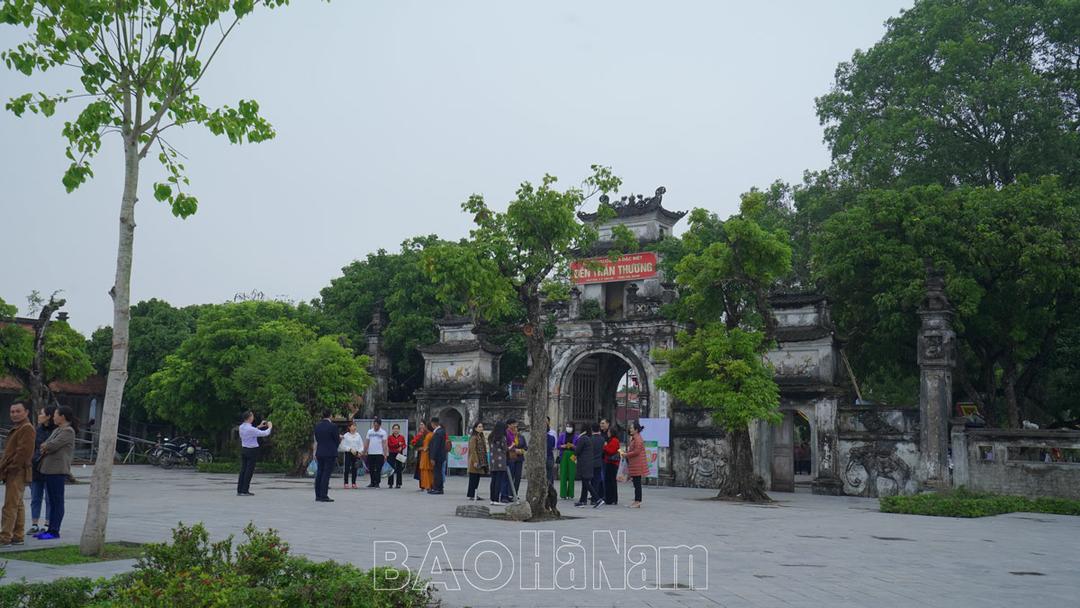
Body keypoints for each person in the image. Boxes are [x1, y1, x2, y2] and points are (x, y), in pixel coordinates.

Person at [35, 405, 77, 540]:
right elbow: (44, 444)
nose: (53, 417)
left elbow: (51, 446)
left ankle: (54, 530)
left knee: (57, 501)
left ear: (62, 417)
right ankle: (50, 529)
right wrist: (45, 446)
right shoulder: (58, 430)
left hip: (57, 470)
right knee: (52, 501)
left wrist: (46, 446)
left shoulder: (68, 431)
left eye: (55, 415)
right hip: (48, 469)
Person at [0, 401, 35, 546]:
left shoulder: (27, 428)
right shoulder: (19, 427)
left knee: (10, 505)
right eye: (12, 411)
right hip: (14, 470)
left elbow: (23, 452)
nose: (14, 414)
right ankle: (18, 535)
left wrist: (11, 467)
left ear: (26, 412)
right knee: (17, 504)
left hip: (17, 471)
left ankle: (5, 537)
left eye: (18, 411)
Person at [28, 405, 55, 535]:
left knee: (50, 498)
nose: (39, 416)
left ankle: (47, 524)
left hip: (50, 468)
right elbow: (32, 447)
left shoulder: (56, 431)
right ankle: (34, 524)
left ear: (49, 416)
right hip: (36, 468)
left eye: (42, 413)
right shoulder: (36, 430)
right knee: (35, 497)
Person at [237, 411, 272, 496]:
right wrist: (270, 427)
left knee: (243, 470)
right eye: (252, 416)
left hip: (244, 449)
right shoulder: (251, 429)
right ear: (249, 418)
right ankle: (245, 490)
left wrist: (259, 426)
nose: (253, 417)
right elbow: (265, 433)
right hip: (251, 450)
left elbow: (252, 432)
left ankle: (240, 490)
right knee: (249, 471)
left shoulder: (241, 427)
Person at [313, 411, 340, 503]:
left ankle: (318, 495)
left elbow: (317, 438)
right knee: (326, 474)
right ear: (330, 416)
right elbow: (337, 440)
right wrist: (334, 447)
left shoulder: (317, 426)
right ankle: (324, 495)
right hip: (329, 453)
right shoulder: (333, 426)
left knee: (319, 473)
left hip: (320, 452)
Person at [622, 420, 647, 508]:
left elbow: (636, 451)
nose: (630, 429)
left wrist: (626, 454)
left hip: (637, 464)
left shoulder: (638, 439)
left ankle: (637, 501)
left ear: (636, 430)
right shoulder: (635, 438)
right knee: (636, 483)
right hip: (635, 463)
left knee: (637, 484)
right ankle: (636, 501)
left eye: (632, 428)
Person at [573, 424, 595, 507]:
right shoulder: (589, 438)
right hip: (589, 462)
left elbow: (577, 451)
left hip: (583, 463)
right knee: (585, 482)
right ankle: (583, 500)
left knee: (586, 482)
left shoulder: (582, 438)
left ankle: (597, 498)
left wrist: (573, 447)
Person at [488, 421, 509, 506]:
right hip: (500, 461)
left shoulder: (491, 437)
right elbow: (505, 449)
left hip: (493, 461)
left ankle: (492, 498)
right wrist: (511, 446)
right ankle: (496, 499)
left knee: (493, 480)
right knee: (499, 481)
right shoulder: (502, 438)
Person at [466, 421, 488, 500]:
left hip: (480, 460)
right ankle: (471, 495)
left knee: (477, 478)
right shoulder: (474, 437)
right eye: (479, 427)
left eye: (482, 427)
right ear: (475, 428)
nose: (481, 428)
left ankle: (475, 494)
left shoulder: (480, 437)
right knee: (473, 478)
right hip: (474, 461)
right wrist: (475, 461)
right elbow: (473, 450)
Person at [505, 418, 527, 497]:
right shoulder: (507, 435)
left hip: (519, 458)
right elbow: (506, 446)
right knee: (510, 476)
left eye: (516, 427)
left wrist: (521, 450)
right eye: (514, 427)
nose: (515, 429)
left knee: (518, 477)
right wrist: (514, 450)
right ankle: (509, 493)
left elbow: (525, 447)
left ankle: (515, 493)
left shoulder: (521, 436)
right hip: (511, 458)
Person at [364, 417, 389, 488]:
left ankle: (377, 482)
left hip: (379, 453)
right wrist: (364, 451)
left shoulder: (383, 432)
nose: (375, 427)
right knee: (371, 468)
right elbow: (367, 442)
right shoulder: (370, 431)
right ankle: (372, 482)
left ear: (380, 425)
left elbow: (384, 444)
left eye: (377, 426)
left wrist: (385, 454)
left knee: (378, 468)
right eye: (374, 425)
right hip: (371, 452)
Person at [339, 421, 363, 489]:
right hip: (348, 453)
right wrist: (349, 449)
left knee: (354, 468)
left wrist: (360, 451)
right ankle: (346, 483)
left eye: (355, 426)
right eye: (353, 426)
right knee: (347, 468)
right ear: (349, 427)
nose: (354, 427)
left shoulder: (358, 435)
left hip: (356, 453)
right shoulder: (346, 435)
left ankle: (354, 483)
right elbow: (342, 446)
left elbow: (361, 445)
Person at [602, 421, 621, 506]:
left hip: (612, 463)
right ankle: (609, 498)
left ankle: (612, 498)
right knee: (608, 481)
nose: (608, 433)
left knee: (611, 481)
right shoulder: (611, 440)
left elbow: (611, 451)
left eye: (609, 432)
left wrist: (605, 446)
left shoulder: (614, 440)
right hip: (609, 462)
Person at [557, 421, 577, 500]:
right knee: (563, 474)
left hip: (573, 455)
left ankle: (571, 493)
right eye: (567, 426)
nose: (568, 428)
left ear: (573, 427)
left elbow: (578, 447)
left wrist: (573, 446)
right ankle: (563, 494)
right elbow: (558, 445)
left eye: (570, 426)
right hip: (564, 454)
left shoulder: (576, 436)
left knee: (572, 474)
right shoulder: (562, 435)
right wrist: (563, 446)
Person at [428, 417, 447, 494]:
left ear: (433, 424)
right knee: (438, 472)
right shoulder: (441, 431)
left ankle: (438, 489)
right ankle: (438, 487)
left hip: (438, 456)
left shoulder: (438, 433)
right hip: (440, 456)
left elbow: (435, 446)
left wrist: (432, 457)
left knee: (437, 472)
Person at [589, 422, 605, 507]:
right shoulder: (602, 439)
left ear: (592, 429)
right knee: (596, 481)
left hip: (590, 462)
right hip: (599, 462)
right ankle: (595, 499)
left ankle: (592, 497)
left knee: (590, 481)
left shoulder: (590, 439)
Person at [412, 421, 430, 490]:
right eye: (420, 425)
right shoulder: (418, 434)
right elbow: (412, 444)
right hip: (420, 454)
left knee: (426, 469)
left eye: (422, 424)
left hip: (427, 453)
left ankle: (427, 484)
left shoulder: (428, 434)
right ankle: (422, 485)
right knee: (420, 469)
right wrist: (417, 448)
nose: (421, 426)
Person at [387, 423, 406, 488]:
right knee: (391, 468)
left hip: (399, 453)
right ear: (392, 430)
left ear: (399, 430)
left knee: (399, 468)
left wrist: (402, 447)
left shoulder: (402, 437)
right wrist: (398, 444)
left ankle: (398, 483)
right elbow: (390, 445)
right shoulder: (390, 437)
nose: (396, 430)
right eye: (394, 428)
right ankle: (390, 483)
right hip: (392, 453)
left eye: (397, 429)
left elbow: (404, 445)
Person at [545, 417, 557, 484]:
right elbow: (553, 446)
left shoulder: (553, 433)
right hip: (550, 456)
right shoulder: (552, 437)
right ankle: (550, 487)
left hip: (546, 457)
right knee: (549, 476)